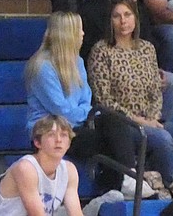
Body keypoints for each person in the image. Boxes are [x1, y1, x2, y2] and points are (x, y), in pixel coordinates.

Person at [87, 0, 173, 193]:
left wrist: (153, 116)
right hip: (123, 124)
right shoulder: (101, 51)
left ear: (135, 18)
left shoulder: (147, 48)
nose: (123, 21)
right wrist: (140, 121)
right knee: (163, 139)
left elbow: (155, 90)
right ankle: (167, 189)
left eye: (127, 15)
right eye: (117, 16)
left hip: (150, 120)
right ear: (110, 20)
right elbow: (103, 99)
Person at [25, 12, 138, 195]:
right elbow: (62, 111)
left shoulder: (77, 61)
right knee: (108, 141)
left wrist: (85, 111)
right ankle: (118, 184)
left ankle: (127, 179)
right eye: (79, 30)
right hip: (50, 130)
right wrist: (85, 111)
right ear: (67, 34)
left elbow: (87, 99)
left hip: (78, 125)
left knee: (115, 121)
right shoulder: (42, 67)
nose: (83, 34)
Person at [79, 0, 173, 123]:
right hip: (106, 74)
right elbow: (89, 53)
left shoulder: (140, 8)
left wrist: (154, 73)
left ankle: (159, 126)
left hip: (138, 72)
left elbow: (146, 45)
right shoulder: (93, 8)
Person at [0, 114, 84, 216]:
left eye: (64, 135)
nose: (59, 140)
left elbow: (76, 213)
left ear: (69, 143)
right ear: (37, 143)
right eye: (51, 135)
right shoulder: (26, 168)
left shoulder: (69, 170)